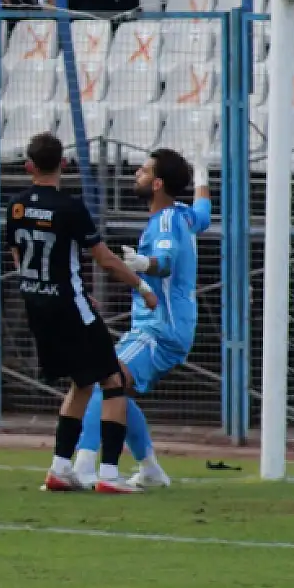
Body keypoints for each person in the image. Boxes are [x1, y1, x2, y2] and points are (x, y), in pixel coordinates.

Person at [8, 134, 161, 494]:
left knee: (82, 382)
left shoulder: (16, 206)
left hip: (38, 306)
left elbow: (18, 255)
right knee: (114, 381)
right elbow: (105, 259)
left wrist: (49, 286)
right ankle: (109, 474)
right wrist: (143, 288)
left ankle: (60, 468)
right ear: (64, 164)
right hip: (70, 307)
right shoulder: (70, 207)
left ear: (29, 167)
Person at [72, 149, 212, 491]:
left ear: (158, 183)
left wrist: (142, 265)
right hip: (167, 327)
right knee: (119, 392)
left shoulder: (165, 221)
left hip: (159, 329)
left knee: (105, 381)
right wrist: (202, 172)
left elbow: (164, 263)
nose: (138, 173)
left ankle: (82, 466)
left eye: (145, 170)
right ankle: (149, 469)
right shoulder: (182, 215)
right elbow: (204, 213)